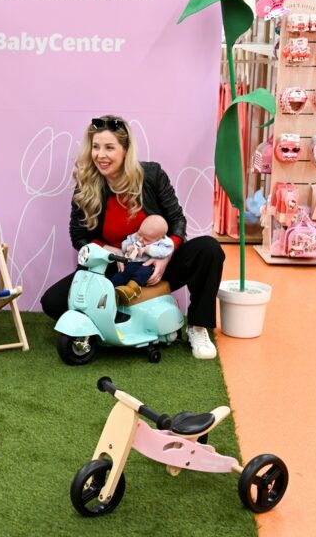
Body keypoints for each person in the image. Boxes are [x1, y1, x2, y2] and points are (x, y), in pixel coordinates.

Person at [40, 115, 225, 360]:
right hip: (115, 268)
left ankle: (197, 327)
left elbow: (177, 221)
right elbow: (78, 236)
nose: (100, 155)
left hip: (155, 263)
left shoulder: (152, 175)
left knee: (209, 248)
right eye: (95, 147)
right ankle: (118, 318)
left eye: (109, 147)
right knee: (52, 302)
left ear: (125, 150)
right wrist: (108, 251)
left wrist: (166, 256)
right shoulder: (86, 186)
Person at [111, 214, 174, 304]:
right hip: (132, 263)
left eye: (146, 239)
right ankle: (112, 293)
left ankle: (131, 289)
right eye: (139, 234)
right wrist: (128, 246)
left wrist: (147, 249)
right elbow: (126, 241)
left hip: (147, 264)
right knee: (122, 274)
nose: (140, 239)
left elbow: (164, 251)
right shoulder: (137, 235)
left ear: (158, 239)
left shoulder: (164, 242)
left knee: (142, 273)